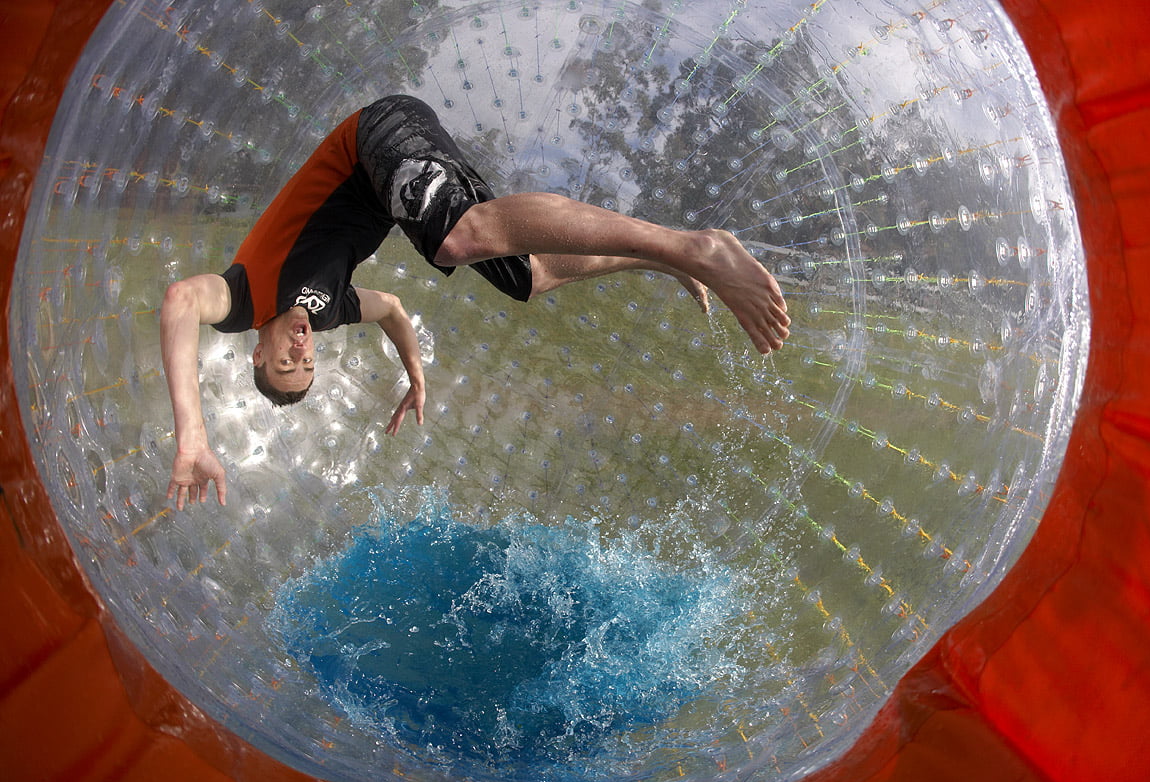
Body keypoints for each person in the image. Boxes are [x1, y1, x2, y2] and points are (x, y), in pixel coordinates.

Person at [160, 95, 790, 511]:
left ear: (255, 354)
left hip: (371, 142)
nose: (301, 347)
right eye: (308, 362)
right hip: (390, 187)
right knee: (525, 280)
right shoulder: (326, 310)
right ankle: (665, 257)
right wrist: (415, 377)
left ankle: (694, 245)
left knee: (459, 238)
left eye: (284, 360)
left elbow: (181, 300)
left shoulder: (242, 297)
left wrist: (193, 435)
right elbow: (393, 309)